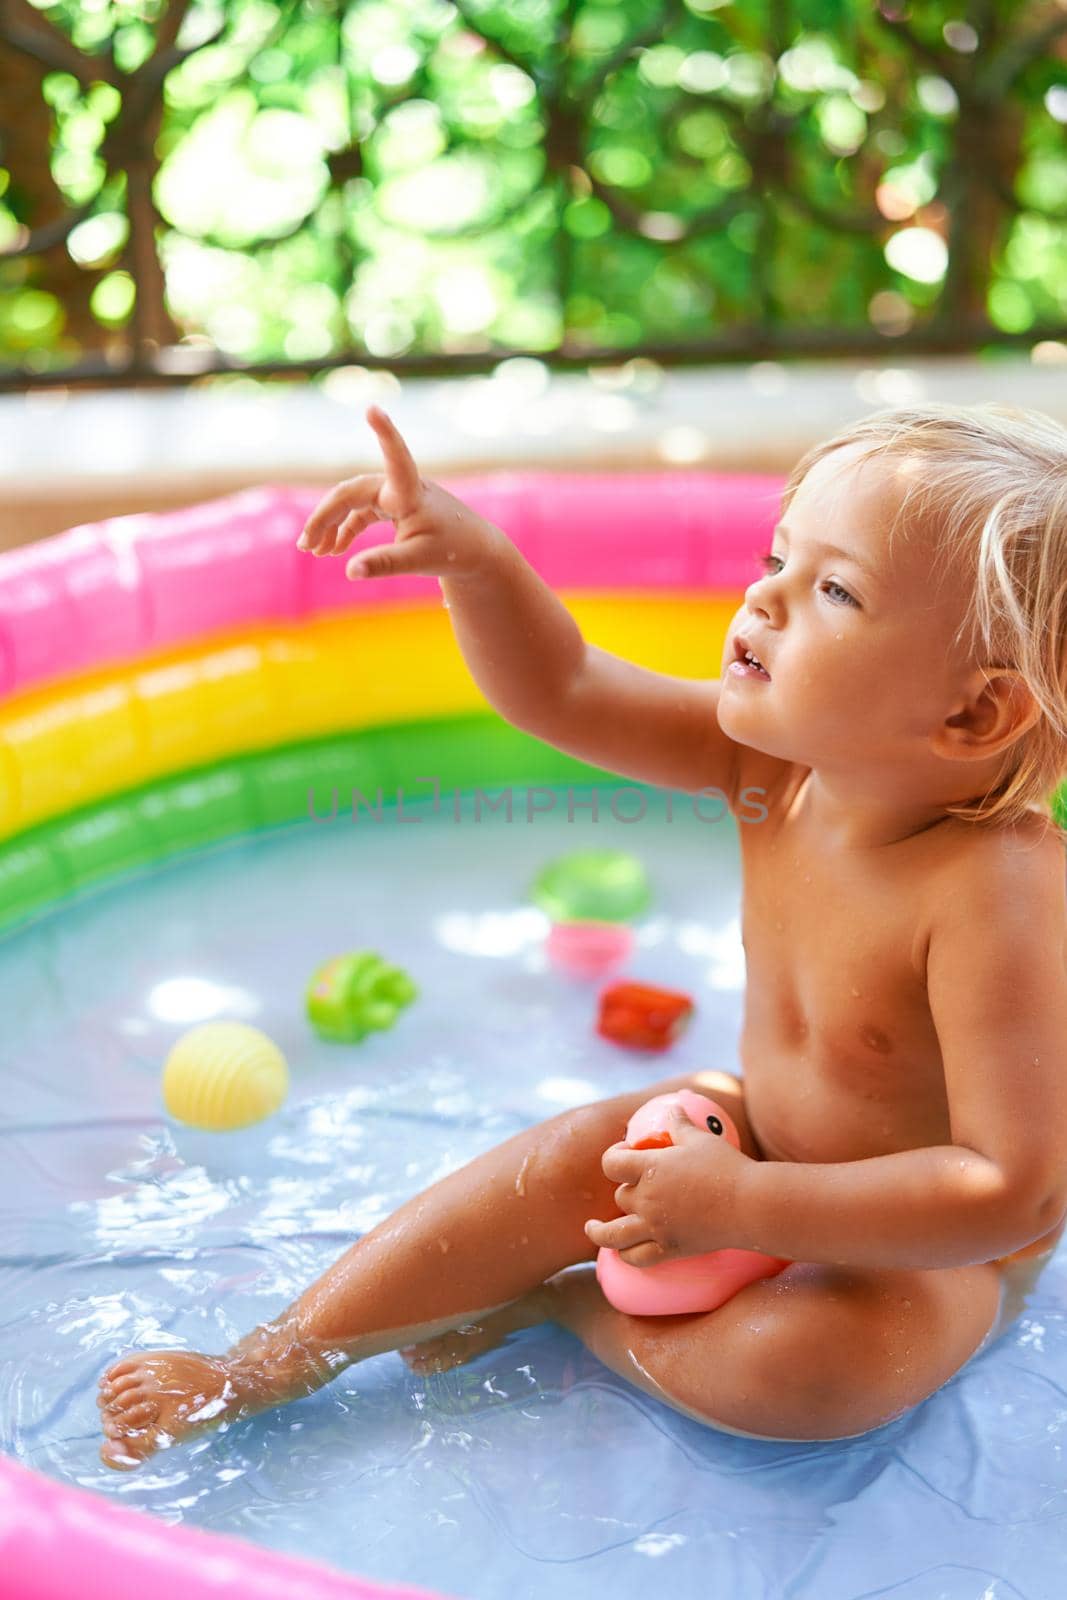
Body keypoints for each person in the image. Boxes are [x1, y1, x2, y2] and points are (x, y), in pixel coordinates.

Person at [98, 402, 1067, 1467]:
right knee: (566, 1160)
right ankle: (269, 1359)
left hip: (922, 1257)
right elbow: (560, 688)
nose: (761, 595)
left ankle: (568, 1310)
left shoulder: (999, 892)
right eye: (776, 558)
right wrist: (474, 565)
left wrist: (750, 1203)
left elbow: (1007, 1191)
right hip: (753, 1137)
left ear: (973, 716)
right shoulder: (780, 770)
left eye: (831, 589)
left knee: (809, 1373)